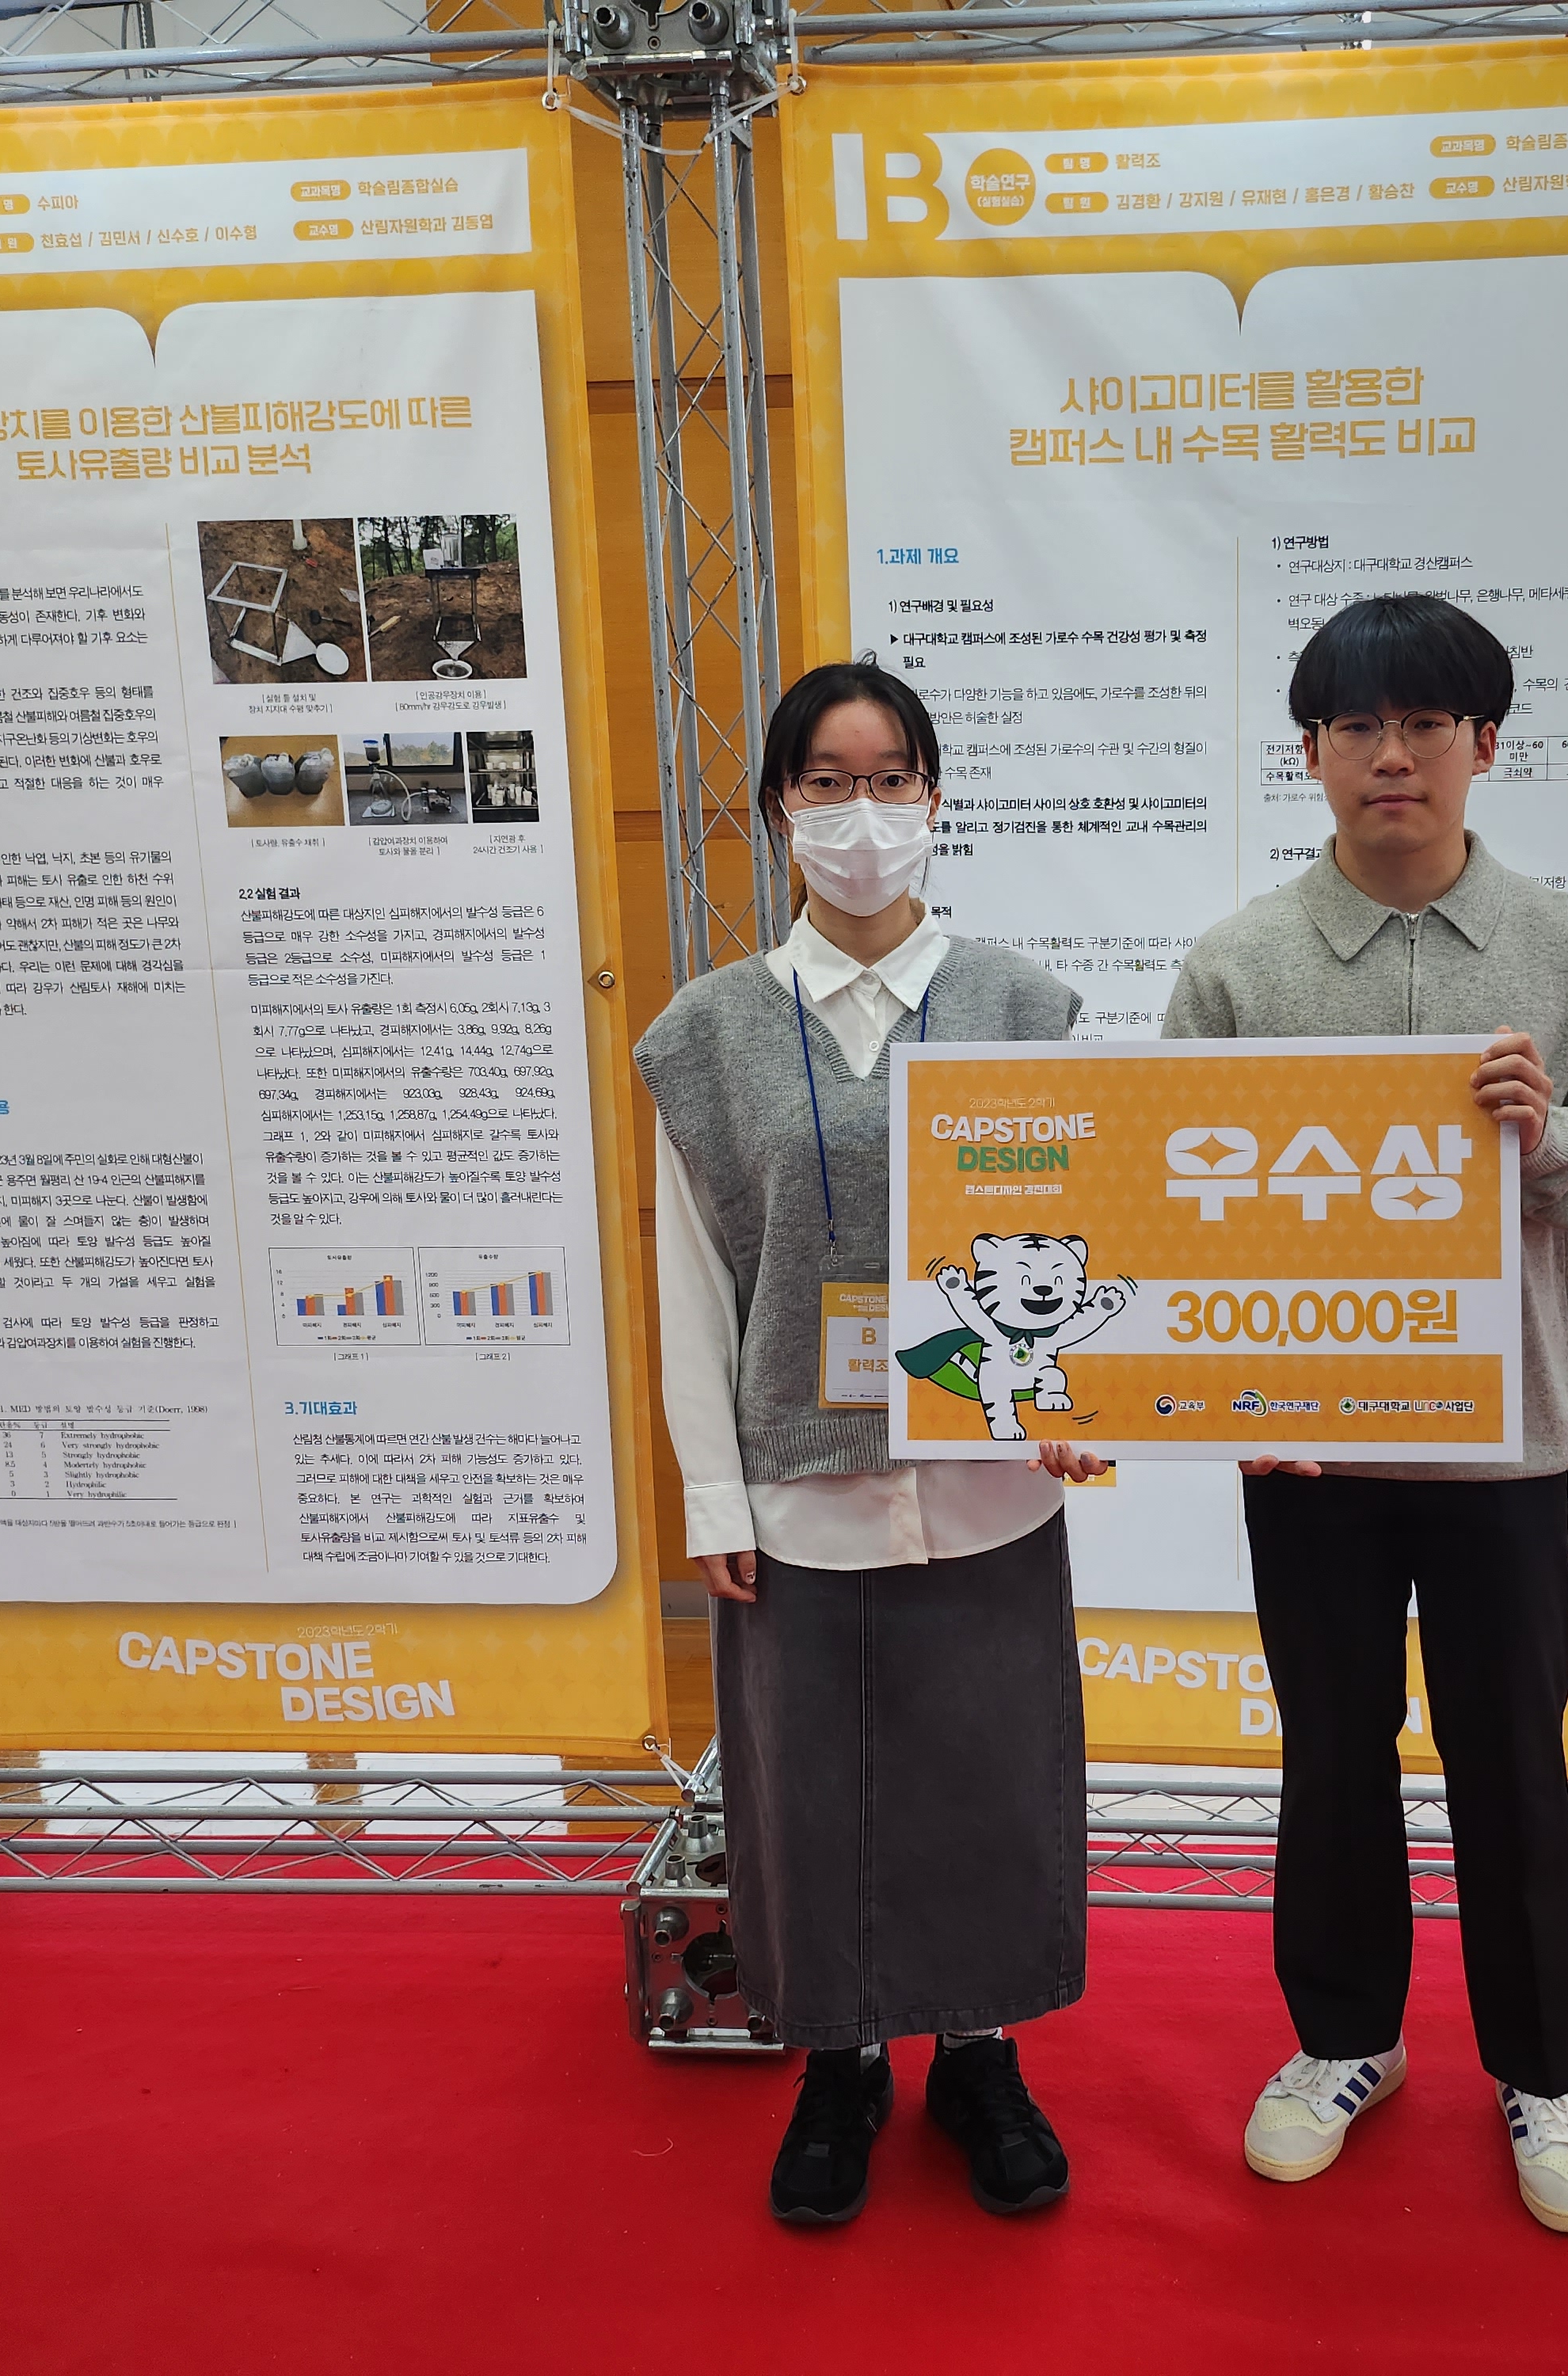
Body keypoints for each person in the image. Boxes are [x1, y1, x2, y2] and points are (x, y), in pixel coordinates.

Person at [1162, 593, 1568, 2237]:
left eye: (1424, 725)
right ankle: (1344, 2042)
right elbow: (1173, 1207)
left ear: (1484, 746)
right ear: (1310, 754)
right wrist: (1222, 1388)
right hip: (1307, 1450)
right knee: (1329, 1754)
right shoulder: (1238, 964)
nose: (1390, 755)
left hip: (1499, 1453)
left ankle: (1543, 2071)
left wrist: (1552, 1142)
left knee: (1509, 1763)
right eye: (1355, 728)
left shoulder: (1565, 951)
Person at [637, 659, 1107, 2226]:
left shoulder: (1024, 1008)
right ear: (780, 806)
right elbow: (691, 1282)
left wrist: (1084, 1405)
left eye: (890, 778)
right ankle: (839, 2065)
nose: (861, 814)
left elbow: (1087, 1239)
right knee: (811, 1795)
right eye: (827, 782)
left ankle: (978, 2055)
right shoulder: (706, 1035)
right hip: (800, 1488)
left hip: (984, 1487)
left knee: (986, 1773)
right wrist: (714, 1492)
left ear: (933, 797)